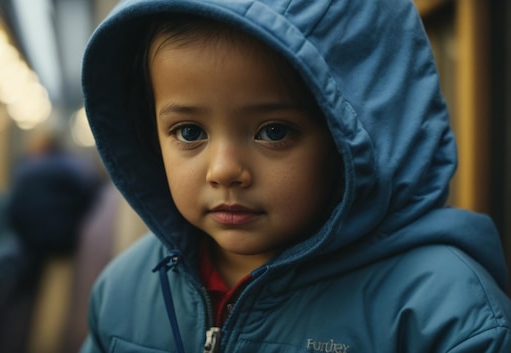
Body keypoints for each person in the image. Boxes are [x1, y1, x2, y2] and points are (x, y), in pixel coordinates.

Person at [79, 1, 511, 352]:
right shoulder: (128, 289)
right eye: (189, 132)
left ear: (350, 140)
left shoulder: (439, 311)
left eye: (274, 132)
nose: (225, 170)